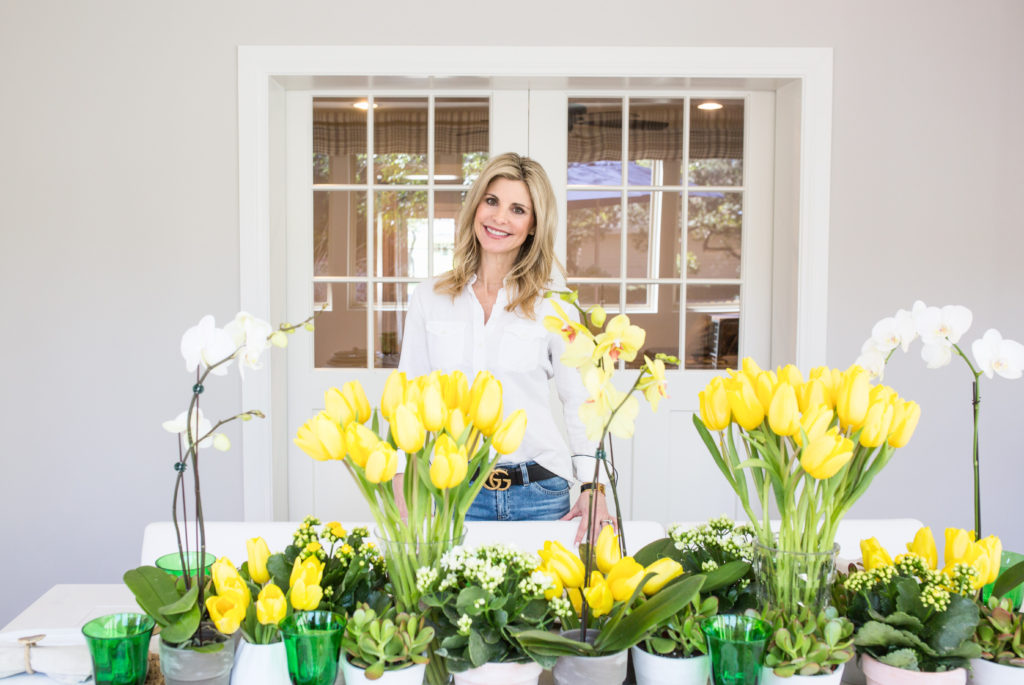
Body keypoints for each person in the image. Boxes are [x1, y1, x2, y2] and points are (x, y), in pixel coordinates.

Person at [397, 152, 612, 544]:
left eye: (518, 209)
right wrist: (402, 480)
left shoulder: (555, 304)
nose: (499, 218)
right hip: (454, 492)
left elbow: (582, 402)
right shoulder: (429, 297)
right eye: (492, 201)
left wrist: (592, 488)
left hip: (542, 495)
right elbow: (407, 393)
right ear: (476, 205)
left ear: (533, 226)